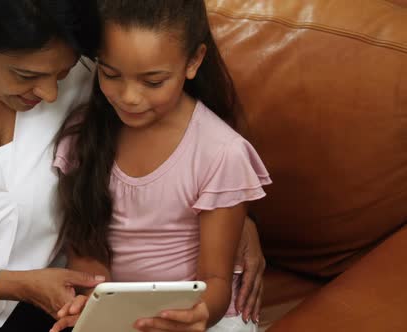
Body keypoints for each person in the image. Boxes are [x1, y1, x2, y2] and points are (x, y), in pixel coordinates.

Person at [0, 1, 264, 331]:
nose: (52, 94)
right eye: (25, 75)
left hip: (34, 304)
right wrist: (18, 283)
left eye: (64, 72)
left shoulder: (94, 63)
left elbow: (176, 130)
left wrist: (235, 218)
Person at [51, 0, 272, 331]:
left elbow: (215, 278)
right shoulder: (85, 134)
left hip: (196, 311)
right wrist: (95, 301)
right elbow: (86, 245)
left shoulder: (222, 153)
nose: (129, 97)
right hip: (113, 308)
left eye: (152, 82)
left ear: (193, 61)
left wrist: (198, 314)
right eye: (110, 74)